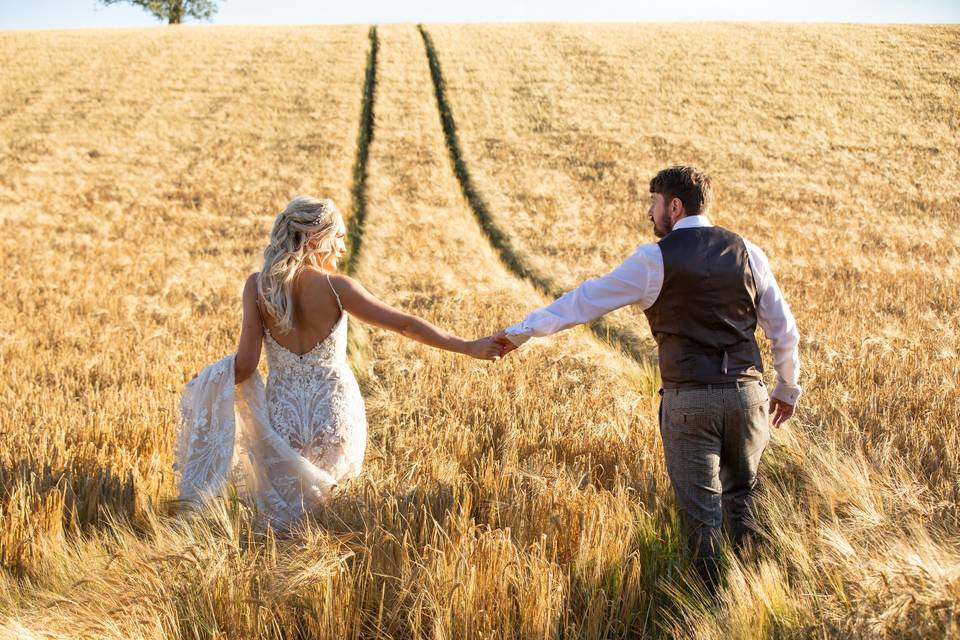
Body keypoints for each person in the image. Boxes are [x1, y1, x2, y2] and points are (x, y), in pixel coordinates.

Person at [493, 166, 801, 592]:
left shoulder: (654, 259)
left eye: (653, 202)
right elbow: (783, 329)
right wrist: (787, 387)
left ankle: (711, 609)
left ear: (675, 207)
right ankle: (756, 596)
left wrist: (521, 332)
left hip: (689, 402)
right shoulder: (748, 251)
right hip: (748, 397)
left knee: (700, 517)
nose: (648, 212)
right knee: (744, 498)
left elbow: (585, 301)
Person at [177, 195, 502, 528]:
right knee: (332, 514)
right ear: (317, 239)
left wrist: (212, 377)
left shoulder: (258, 288)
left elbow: (244, 366)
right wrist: (467, 346)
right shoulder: (336, 288)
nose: (343, 248)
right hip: (333, 413)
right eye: (340, 237)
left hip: (284, 414)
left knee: (287, 520)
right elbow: (405, 325)